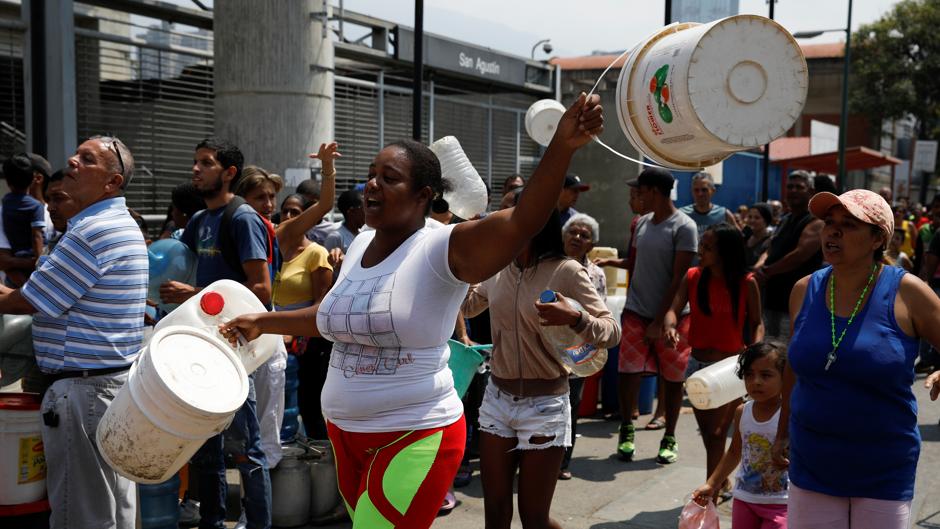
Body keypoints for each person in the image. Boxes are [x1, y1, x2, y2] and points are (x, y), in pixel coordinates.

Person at [219, 93, 605, 529]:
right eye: (370, 175)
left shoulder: (443, 246)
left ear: (424, 195)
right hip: (344, 436)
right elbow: (331, 317)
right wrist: (261, 322)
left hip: (415, 436)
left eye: (389, 177)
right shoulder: (360, 242)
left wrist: (562, 146)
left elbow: (522, 221)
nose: (372, 185)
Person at [0, 135, 146, 529]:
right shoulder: (119, 223)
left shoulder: (90, 231)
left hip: (84, 395)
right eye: (76, 154)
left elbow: (28, 301)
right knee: (114, 508)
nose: (72, 161)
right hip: (109, 388)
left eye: (87, 159)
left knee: (80, 514)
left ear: (112, 183)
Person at [772, 189, 940, 529]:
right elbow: (794, 366)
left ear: (878, 238)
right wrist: (781, 430)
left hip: (883, 466)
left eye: (848, 225)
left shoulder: (908, 292)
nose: (832, 232)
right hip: (812, 459)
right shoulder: (804, 290)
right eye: (829, 223)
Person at [159, 138, 273, 529]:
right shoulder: (197, 222)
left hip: (235, 351)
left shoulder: (242, 219)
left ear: (228, 173)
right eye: (195, 162)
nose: (196, 170)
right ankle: (212, 522)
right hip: (200, 346)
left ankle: (258, 523)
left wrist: (194, 295)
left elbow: (261, 291)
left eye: (205, 163)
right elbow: (178, 267)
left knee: (246, 450)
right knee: (205, 448)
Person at [664, 223, 763, 499]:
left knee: (719, 433)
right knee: (708, 433)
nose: (700, 251)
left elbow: (756, 322)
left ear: (725, 252)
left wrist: (753, 351)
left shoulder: (746, 282)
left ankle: (712, 488)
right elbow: (673, 309)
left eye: (708, 247)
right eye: (702, 245)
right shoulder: (693, 276)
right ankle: (721, 479)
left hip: (730, 369)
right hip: (696, 366)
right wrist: (670, 326)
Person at [612, 167, 698, 464]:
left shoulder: (684, 227)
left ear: (655, 192)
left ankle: (670, 436)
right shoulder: (640, 223)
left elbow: (679, 278)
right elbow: (636, 266)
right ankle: (626, 429)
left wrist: (661, 319)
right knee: (628, 374)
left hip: (673, 318)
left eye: (641, 191)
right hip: (635, 312)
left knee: (673, 380)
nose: (637, 196)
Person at [693, 343, 788, 529]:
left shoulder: (790, 414)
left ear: (786, 377)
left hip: (782, 503)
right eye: (749, 375)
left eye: (766, 375)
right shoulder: (742, 412)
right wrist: (712, 484)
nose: (756, 381)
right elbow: (734, 452)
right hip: (745, 499)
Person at [233, 166, 291, 473]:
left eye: (271, 197)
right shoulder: (245, 226)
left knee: (265, 428)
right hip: (246, 338)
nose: (269, 205)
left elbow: (263, 290)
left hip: (264, 338)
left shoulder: (264, 229)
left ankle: (258, 509)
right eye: (260, 198)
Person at [558, 212, 610, 481]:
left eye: (584, 235)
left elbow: (600, 315)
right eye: (573, 232)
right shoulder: (549, 265)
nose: (577, 238)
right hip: (546, 347)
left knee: (571, 405)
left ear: (591, 245)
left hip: (578, 348)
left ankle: (562, 461)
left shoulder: (596, 274)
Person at [756, 171, 823, 343]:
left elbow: (800, 255)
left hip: (795, 304)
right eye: (790, 187)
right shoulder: (785, 219)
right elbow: (771, 247)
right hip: (771, 300)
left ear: (811, 192)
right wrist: (760, 265)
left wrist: (768, 272)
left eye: (799, 187)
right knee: (768, 352)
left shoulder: (816, 221)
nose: (793, 190)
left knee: (786, 354)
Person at [1, 153, 47, 285]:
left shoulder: (5, 203)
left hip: (15, 260)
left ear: (8, 182)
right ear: (33, 178)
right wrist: (39, 262)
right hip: (31, 258)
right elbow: (36, 235)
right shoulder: (36, 206)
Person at [680, 171, 740, 238]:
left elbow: (739, 239)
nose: (700, 194)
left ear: (713, 191)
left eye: (704, 190)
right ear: (692, 192)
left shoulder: (724, 214)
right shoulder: (682, 214)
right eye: (696, 190)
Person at [298, 178, 341, 244]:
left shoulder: (332, 230)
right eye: (305, 205)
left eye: (312, 205)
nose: (310, 209)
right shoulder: (293, 227)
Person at [324, 189, 365, 253]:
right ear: (351, 211)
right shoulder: (335, 237)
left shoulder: (362, 234)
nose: (366, 212)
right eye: (363, 208)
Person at [744, 203, 774, 271]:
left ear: (766, 220)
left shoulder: (770, 241)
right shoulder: (745, 237)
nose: (752, 220)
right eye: (750, 217)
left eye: (757, 218)